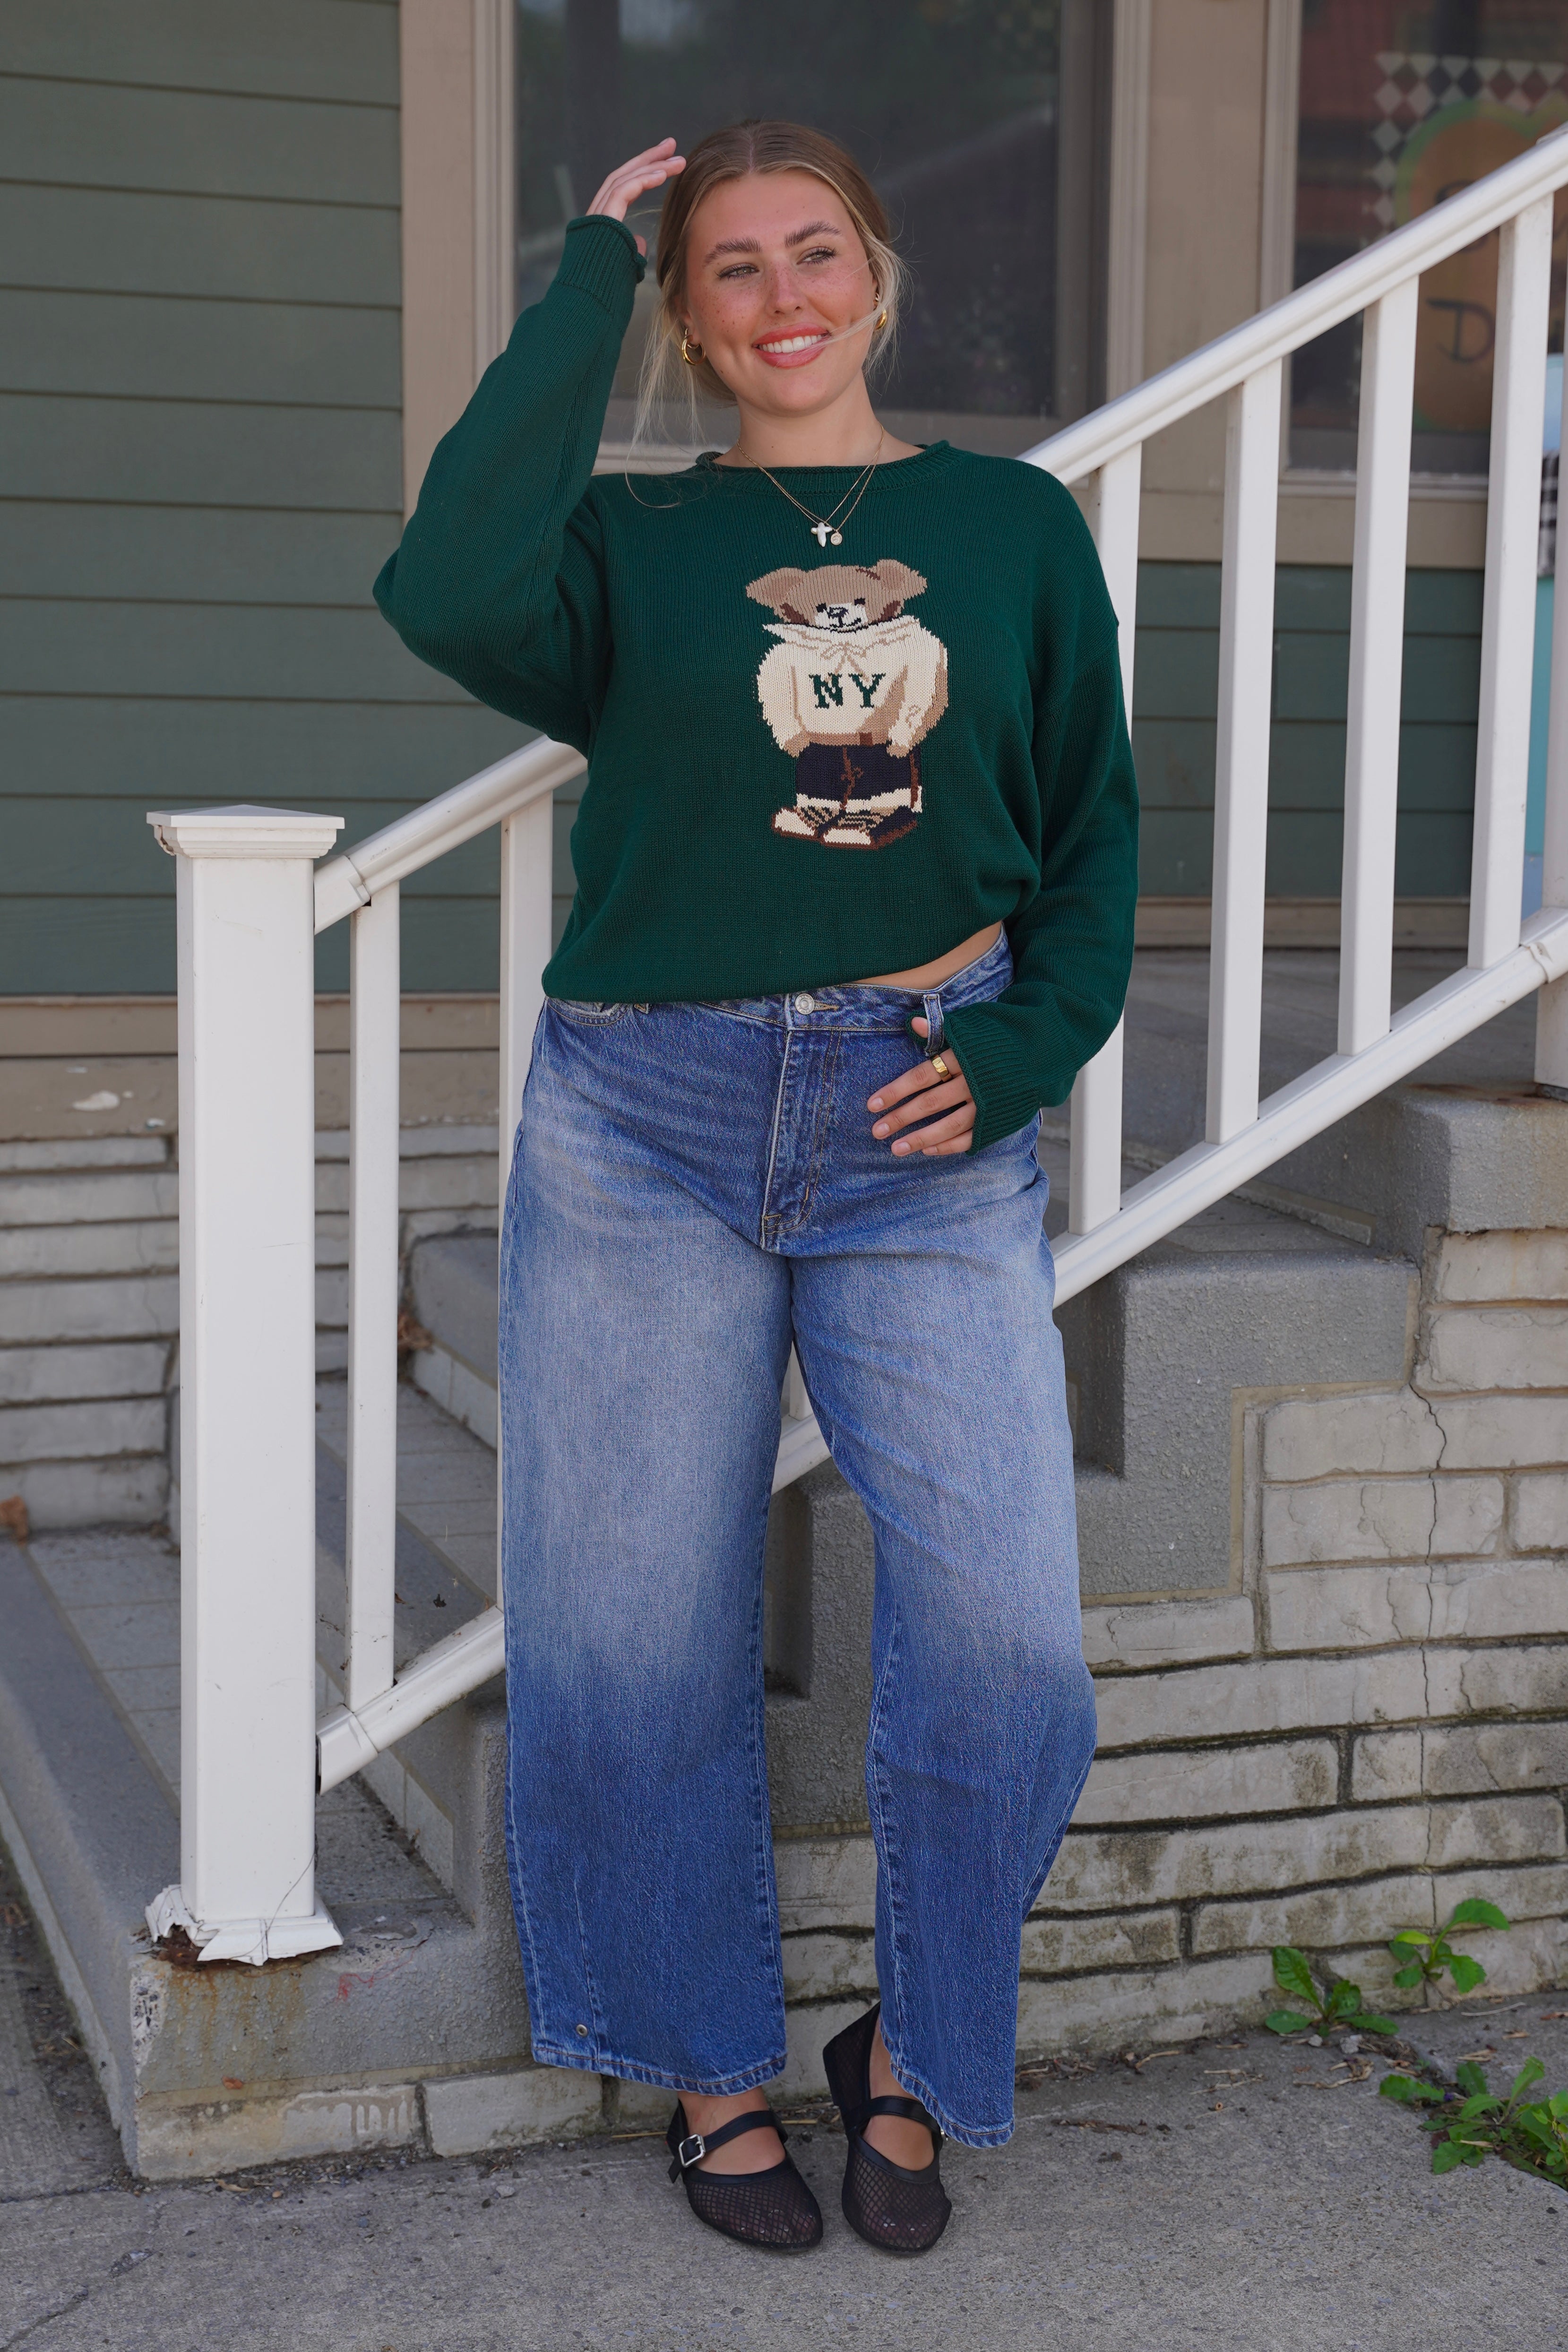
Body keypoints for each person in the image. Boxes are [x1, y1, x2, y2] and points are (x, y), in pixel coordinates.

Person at [375, 119, 1137, 2258]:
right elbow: (445, 585)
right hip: (648, 1117)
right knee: (630, 1630)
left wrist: (1023, 1047)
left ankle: (910, 2048)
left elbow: (1091, 826)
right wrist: (585, 271)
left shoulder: (1009, 526)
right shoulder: (628, 546)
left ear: (876, 275)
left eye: (816, 251)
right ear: (692, 322)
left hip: (925, 1117)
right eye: (729, 267)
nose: (783, 294)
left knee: (1009, 1644)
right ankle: (708, 2065)